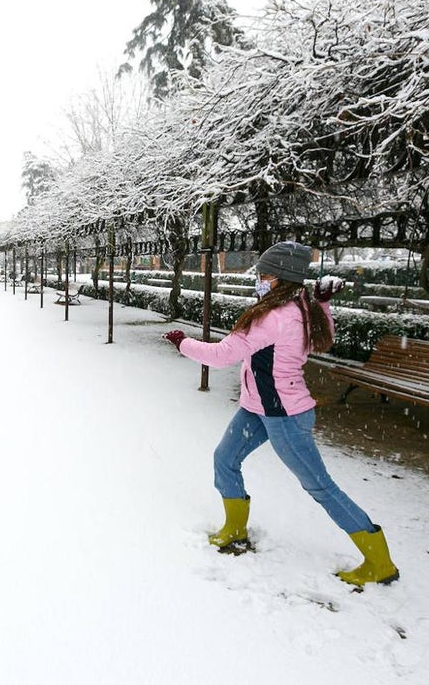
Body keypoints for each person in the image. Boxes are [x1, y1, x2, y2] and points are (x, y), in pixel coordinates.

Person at [163, 241, 399, 587]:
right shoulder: (301, 305)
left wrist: (183, 342)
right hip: (258, 407)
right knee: (225, 459)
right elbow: (323, 337)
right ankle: (234, 529)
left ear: (280, 278)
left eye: (264, 274)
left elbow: (224, 354)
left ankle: (379, 561)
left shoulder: (274, 316)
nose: (258, 279)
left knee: (320, 487)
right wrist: (324, 304)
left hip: (284, 415)